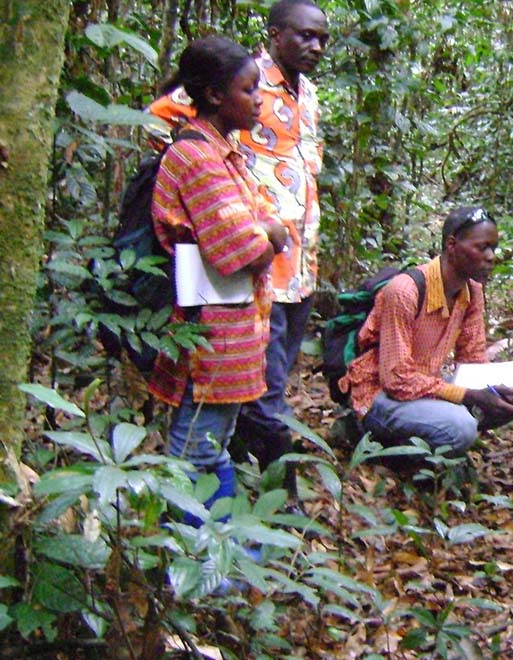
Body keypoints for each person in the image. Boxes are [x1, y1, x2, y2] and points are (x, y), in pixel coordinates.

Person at [149, 0, 329, 510]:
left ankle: (230, 530)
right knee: (212, 432)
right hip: (226, 295)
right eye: (305, 35)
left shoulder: (305, 95)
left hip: (287, 274)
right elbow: (234, 245)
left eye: (323, 39)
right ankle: (268, 504)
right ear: (275, 35)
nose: (315, 47)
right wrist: (261, 230)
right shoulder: (209, 132)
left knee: (240, 414)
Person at [148, 36, 288, 525]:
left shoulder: (225, 151)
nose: (259, 100)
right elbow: (239, 249)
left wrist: (268, 232)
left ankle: (218, 553)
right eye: (248, 90)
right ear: (212, 96)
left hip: (233, 336)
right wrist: (267, 235)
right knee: (194, 452)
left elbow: (270, 224)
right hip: (208, 337)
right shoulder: (196, 158)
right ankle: (187, 568)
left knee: (214, 447)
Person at [338, 207, 513, 457]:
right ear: (452, 245)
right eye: (482, 247)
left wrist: (490, 390)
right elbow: (396, 380)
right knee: (460, 428)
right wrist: (468, 396)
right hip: (380, 395)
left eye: (493, 248)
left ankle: (437, 434)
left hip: (423, 385)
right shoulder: (405, 291)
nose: (491, 256)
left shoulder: (471, 291)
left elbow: (472, 361)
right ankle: (378, 445)